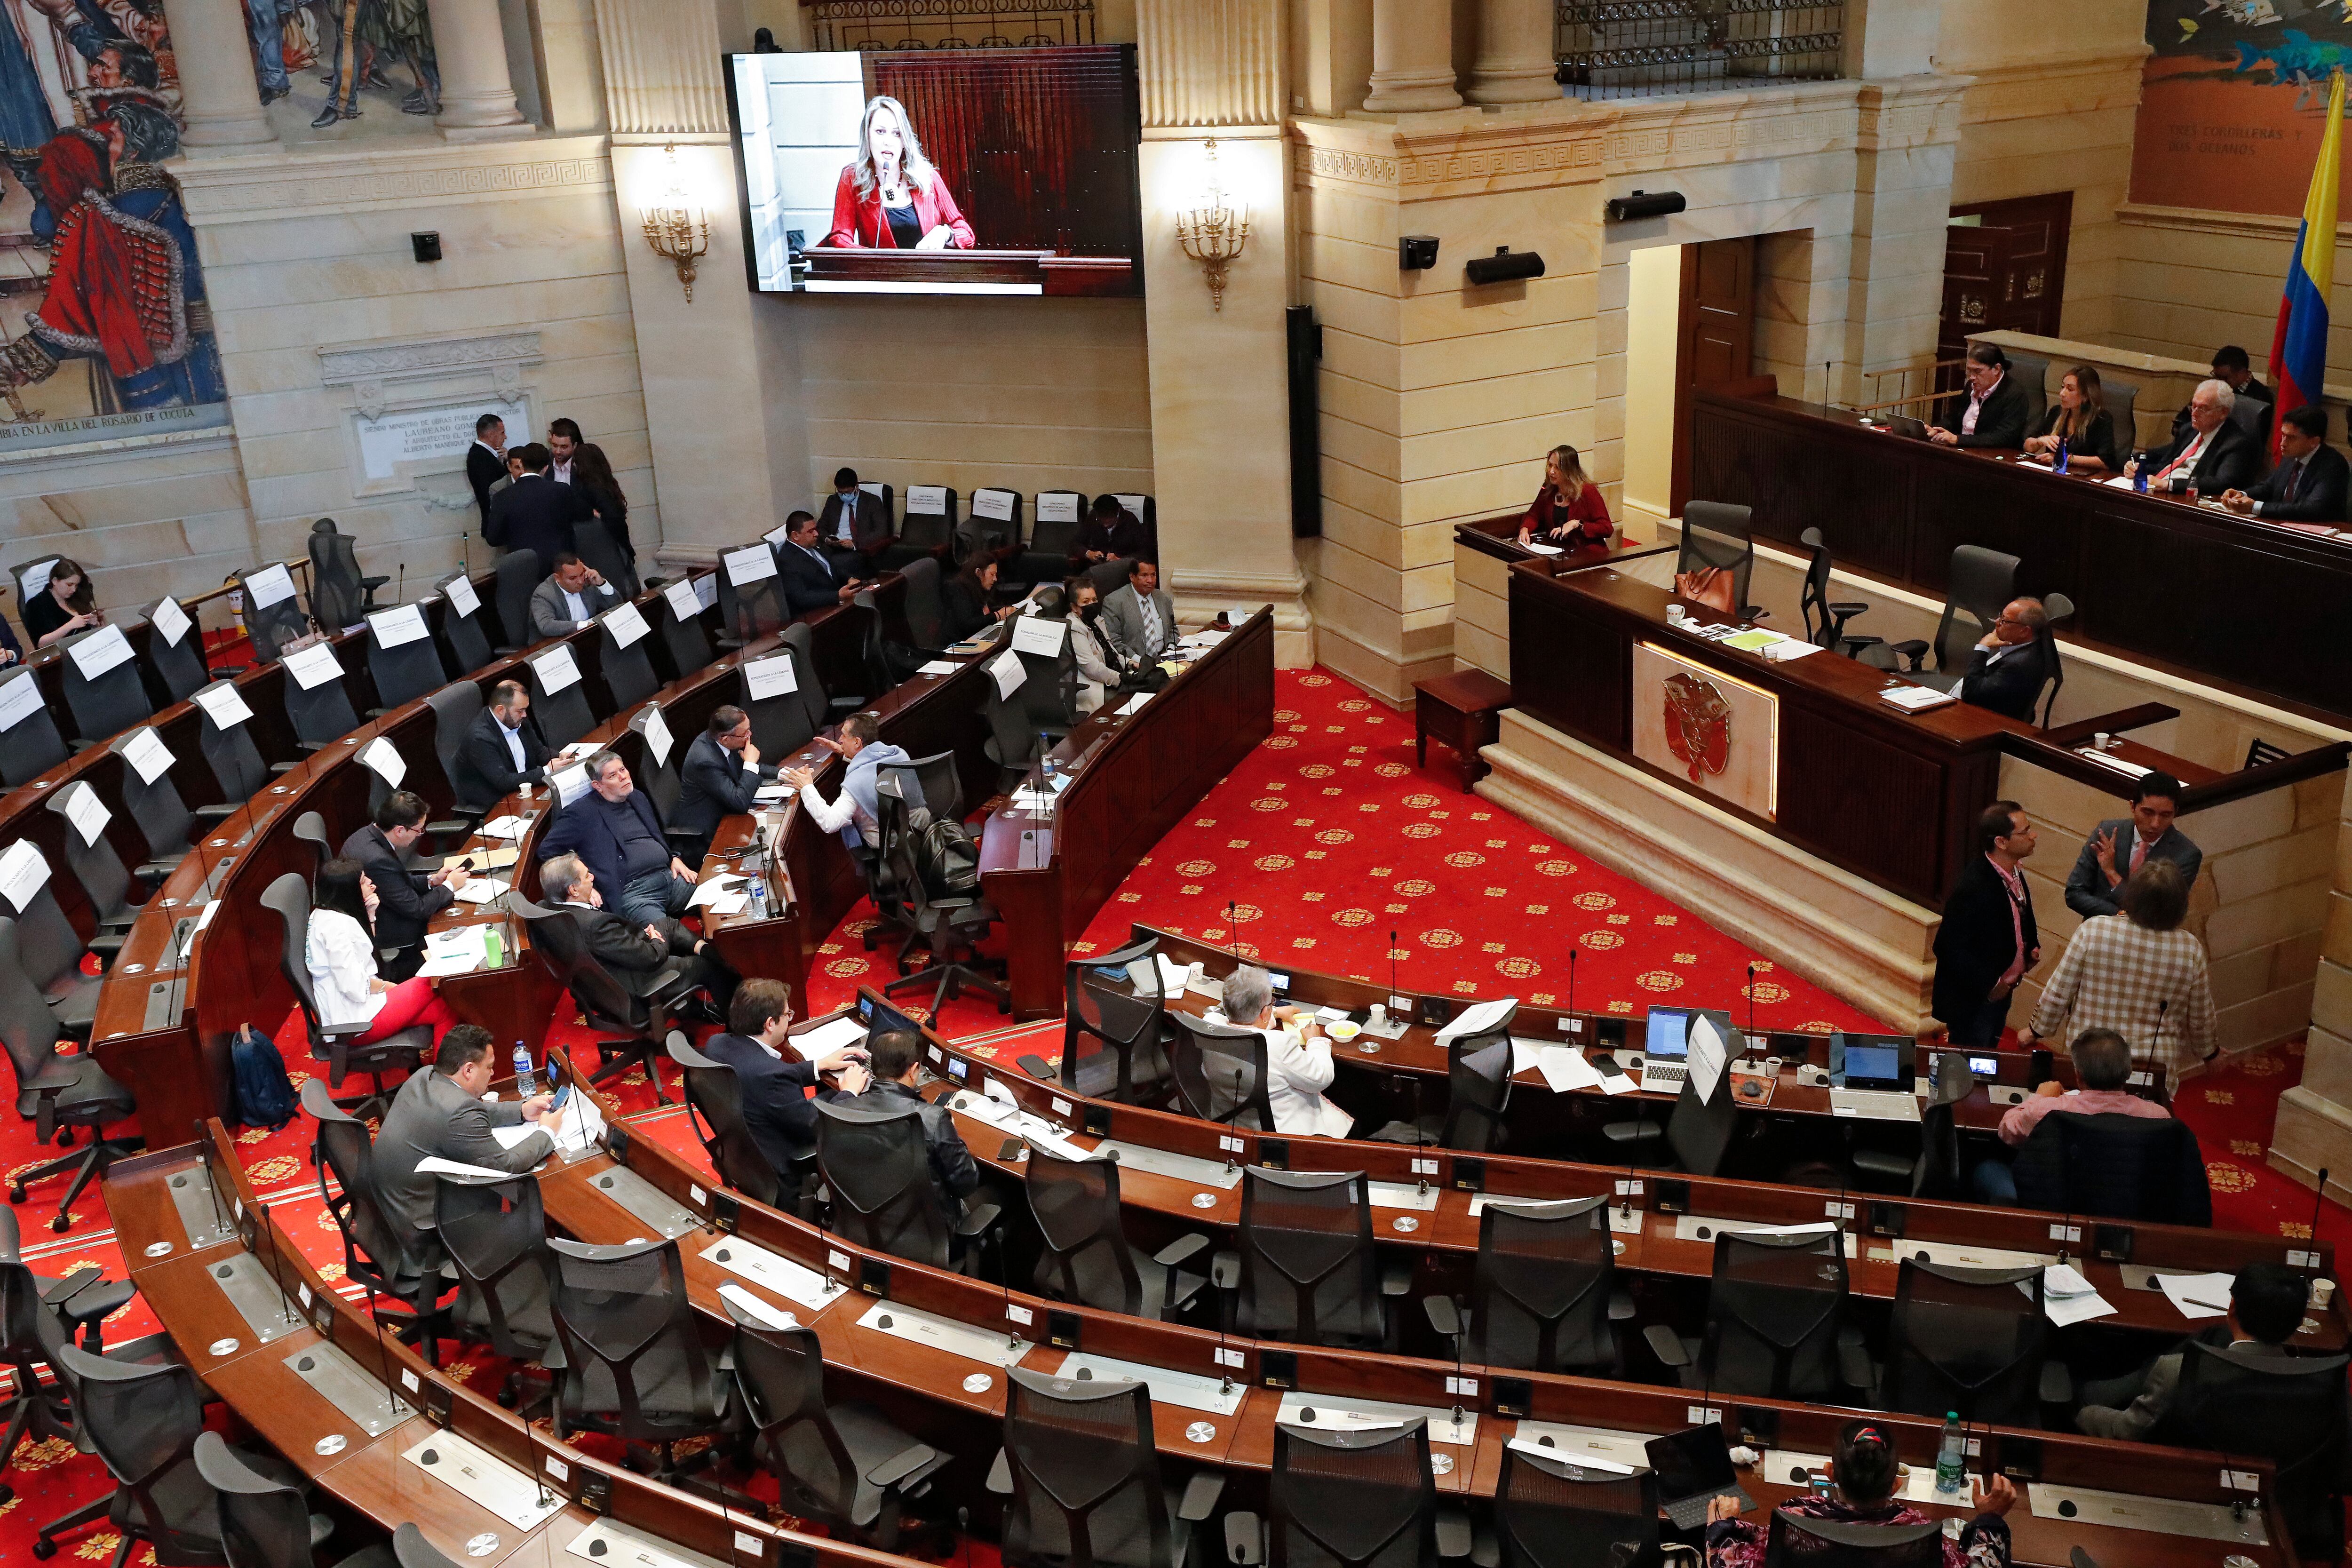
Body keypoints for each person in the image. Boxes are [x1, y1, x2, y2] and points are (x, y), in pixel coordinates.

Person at [1704, 1418, 2015, 1568]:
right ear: (1895, 1485)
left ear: (1830, 1473)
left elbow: (1730, 1563)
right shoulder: (1919, 1533)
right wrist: (1989, 1519)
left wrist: (1723, 1528)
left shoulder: (1799, 1520)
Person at [2020, 860, 2216, 1090]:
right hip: (2151, 1070)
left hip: (2089, 1062)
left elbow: (2059, 991)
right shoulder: (2190, 949)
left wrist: (2035, 1031)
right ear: (2180, 904)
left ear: (2132, 895)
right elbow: (2201, 1016)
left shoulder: (2093, 931)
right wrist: (2210, 1055)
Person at [373, 1025, 565, 1244]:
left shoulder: (425, 1076)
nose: (493, 1073)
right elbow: (505, 1166)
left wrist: (520, 1111)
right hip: (424, 1228)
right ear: (469, 1070)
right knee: (530, 1212)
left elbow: (472, 1111)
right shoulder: (458, 1112)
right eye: (490, 1067)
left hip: (396, 1209)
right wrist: (547, 1132)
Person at [2075, 1263, 2306, 1441]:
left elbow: (2127, 1432)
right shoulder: (2317, 1381)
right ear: (2297, 1323)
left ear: (2232, 1307)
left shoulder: (2178, 1372)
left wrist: (2084, 1414)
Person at [1969, 1028, 2173, 1203]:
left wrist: (2038, 1097)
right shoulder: (2159, 1118)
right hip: (2125, 1206)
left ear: (2078, 1074)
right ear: (2129, 1072)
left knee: (1987, 1167)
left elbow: (2007, 1132)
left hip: (2053, 1205)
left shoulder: (2045, 1111)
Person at [700, 978, 871, 1177]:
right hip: (781, 1165)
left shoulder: (717, 1044)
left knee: (830, 1095)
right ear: (770, 1024)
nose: (790, 1019)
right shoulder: (771, 1076)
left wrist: (819, 1065)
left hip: (744, 1150)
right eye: (787, 1014)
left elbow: (768, 1076)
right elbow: (814, 1126)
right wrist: (849, 1092)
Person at [541, 852, 732, 1016]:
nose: (592, 877)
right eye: (586, 876)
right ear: (573, 890)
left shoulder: (548, 911)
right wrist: (655, 940)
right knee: (705, 967)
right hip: (635, 984)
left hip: (610, 970)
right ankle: (738, 1021)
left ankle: (709, 951)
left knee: (668, 924)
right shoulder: (594, 925)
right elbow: (652, 958)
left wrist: (647, 935)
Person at [835, 1028, 981, 1237]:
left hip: (863, 1226)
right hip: (929, 1239)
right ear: (914, 1070)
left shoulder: (846, 1106)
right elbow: (966, 1183)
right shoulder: (933, 1120)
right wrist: (954, 1137)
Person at [305, 857, 461, 1046]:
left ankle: (444, 1075)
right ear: (348, 892)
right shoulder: (337, 929)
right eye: (363, 881)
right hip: (357, 1022)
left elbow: (363, 955)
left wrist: (370, 915)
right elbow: (353, 987)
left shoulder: (325, 914)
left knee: (444, 1010)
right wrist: (388, 987)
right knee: (434, 980)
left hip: (359, 1008)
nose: (371, 883)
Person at [537, 749, 698, 927]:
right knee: (666, 934)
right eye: (613, 775)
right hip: (635, 893)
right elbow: (547, 851)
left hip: (669, 876)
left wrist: (674, 857)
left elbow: (657, 836)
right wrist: (585, 888)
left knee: (720, 900)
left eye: (623, 770)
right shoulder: (581, 814)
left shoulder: (637, 797)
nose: (623, 777)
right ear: (598, 786)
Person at [1931, 802, 2040, 1048]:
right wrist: (1993, 984)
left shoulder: (2013, 872)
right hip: (1976, 999)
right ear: (2002, 842)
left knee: (1988, 1053)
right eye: (2025, 831)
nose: (2033, 836)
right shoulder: (1973, 886)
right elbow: (1947, 947)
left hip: (2002, 993)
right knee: (1972, 1062)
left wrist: (2030, 947)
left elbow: (2020, 913)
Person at [820, 96, 975, 252]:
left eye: (897, 133)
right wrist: (872, 260)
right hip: (881, 274)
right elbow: (840, 237)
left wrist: (944, 233)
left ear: (904, 141)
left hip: (928, 274)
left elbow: (967, 235)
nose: (888, 141)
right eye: (880, 132)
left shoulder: (928, 177)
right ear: (867, 135)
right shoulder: (852, 178)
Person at [342, 791, 462, 979]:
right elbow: (417, 909)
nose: (420, 835)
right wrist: (449, 886)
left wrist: (433, 880)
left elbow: (396, 882)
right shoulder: (377, 859)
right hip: (385, 926)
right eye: (419, 830)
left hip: (382, 908)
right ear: (400, 830)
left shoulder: (365, 835)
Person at [1222, 966, 1351, 1138]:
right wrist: (1315, 1041)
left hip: (1232, 1123)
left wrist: (1273, 1013)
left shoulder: (1208, 1025)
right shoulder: (1279, 1044)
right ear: (1264, 1013)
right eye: (1271, 1004)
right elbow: (1322, 1078)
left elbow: (1246, 1026)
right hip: (1283, 1135)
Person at [2065, 771, 2202, 920]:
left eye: (2165, 815)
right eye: (2148, 813)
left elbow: (2158, 914)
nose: (2155, 824)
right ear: (2133, 806)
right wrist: (2119, 914)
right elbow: (2074, 893)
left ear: (2175, 812)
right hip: (2099, 935)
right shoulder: (2107, 832)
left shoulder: (2186, 854)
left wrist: (2111, 873)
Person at [783, 712, 912, 852]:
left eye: (844, 735)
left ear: (857, 742)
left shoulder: (855, 784)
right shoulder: (899, 755)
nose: (839, 740)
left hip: (886, 844)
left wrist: (807, 787)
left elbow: (830, 823)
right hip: (917, 830)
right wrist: (851, 755)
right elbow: (873, 767)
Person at [672, 704, 776, 855]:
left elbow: (744, 767)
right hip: (706, 836)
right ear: (726, 738)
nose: (750, 735)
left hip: (726, 815)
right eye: (745, 733)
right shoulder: (705, 761)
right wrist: (751, 764)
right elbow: (739, 802)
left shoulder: (719, 740)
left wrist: (785, 773)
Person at [2125, 379, 2257, 495]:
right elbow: (2165, 454)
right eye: (2193, 406)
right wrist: (2136, 462)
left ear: (2223, 412)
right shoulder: (2190, 430)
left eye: (2203, 409)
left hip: (2184, 498)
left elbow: (2221, 483)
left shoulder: (2237, 443)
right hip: (2153, 488)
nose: (2194, 414)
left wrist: (2168, 485)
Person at [2223, 403, 2347, 522]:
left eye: (2291, 438)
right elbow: (2269, 487)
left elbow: (2312, 509)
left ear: (2314, 442)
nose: (2283, 443)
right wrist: (2241, 494)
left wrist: (2256, 507)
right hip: (2282, 526)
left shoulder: (2333, 465)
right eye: (2283, 435)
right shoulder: (2291, 456)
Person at [486, 443, 592, 566]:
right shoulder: (561, 490)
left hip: (524, 566)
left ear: (522, 465)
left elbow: (493, 539)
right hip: (560, 565)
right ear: (546, 468)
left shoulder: (502, 497)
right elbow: (584, 514)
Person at [1956, 597, 2053, 723]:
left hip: (1973, 718)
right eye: (2000, 616)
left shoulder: (2018, 665)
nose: (1997, 622)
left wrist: (1982, 648)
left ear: (2024, 631)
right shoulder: (2021, 645)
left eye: (2004, 621)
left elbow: (1970, 695)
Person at [457, 679, 550, 809]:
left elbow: (539, 751)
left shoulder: (517, 720)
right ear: (500, 710)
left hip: (524, 792)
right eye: (520, 711)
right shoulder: (480, 738)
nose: (525, 715)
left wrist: (562, 758)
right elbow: (504, 782)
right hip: (497, 805)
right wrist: (547, 770)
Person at [1926, 343, 2030, 450]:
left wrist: (1958, 439)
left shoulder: (2015, 395)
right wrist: (1936, 429)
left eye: (1977, 371)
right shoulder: (1971, 386)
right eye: (1970, 370)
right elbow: (1954, 417)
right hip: (1961, 449)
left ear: (1996, 369)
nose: (1972, 377)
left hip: (1990, 455)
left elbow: (2003, 437)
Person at [2020, 365, 2118, 474]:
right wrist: (2040, 441)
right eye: (2063, 387)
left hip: (2084, 480)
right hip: (2054, 475)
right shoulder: (2056, 412)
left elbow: (2105, 462)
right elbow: (2028, 446)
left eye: (2070, 389)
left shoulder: (2101, 419)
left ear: (2086, 395)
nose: (2062, 394)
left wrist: (2066, 458)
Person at [1514, 443, 1612, 546]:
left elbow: (1607, 528)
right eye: (1550, 465)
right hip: (1558, 551)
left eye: (1557, 467)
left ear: (1569, 470)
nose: (1551, 471)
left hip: (1586, 554)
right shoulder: (1549, 489)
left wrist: (1578, 524)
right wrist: (1525, 529)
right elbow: (1533, 515)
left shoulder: (1588, 491)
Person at [777, 509, 864, 616]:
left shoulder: (815, 546)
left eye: (816, 529)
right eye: (811, 531)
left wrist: (849, 578)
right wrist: (837, 596)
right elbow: (802, 597)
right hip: (816, 614)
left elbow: (832, 568)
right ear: (795, 536)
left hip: (837, 606)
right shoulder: (787, 560)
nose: (817, 534)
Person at [1100, 558, 1177, 669]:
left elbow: (1172, 629)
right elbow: (1112, 640)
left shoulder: (1163, 598)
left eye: (1153, 575)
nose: (1150, 580)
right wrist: (1139, 661)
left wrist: (1170, 651)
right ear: (1132, 577)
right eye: (1144, 575)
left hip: (1164, 661)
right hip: (1135, 665)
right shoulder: (1114, 602)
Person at [1062, 577, 1124, 715]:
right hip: (1094, 689)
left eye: (1094, 600)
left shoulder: (1095, 620)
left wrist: (1132, 664)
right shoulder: (1074, 627)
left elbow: (1111, 652)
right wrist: (1121, 679)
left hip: (1109, 677)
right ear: (1074, 608)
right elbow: (1092, 668)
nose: (1092, 604)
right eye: (1086, 602)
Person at [528, 553, 622, 638]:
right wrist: (584, 626)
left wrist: (601, 584)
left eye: (581, 574)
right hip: (558, 646)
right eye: (572, 578)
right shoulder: (544, 595)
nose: (581, 581)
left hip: (591, 637)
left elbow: (618, 606)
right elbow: (546, 626)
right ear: (558, 578)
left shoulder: (587, 582)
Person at [817, 468, 892, 570]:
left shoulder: (872, 502)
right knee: (813, 559)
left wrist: (854, 544)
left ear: (857, 487)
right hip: (833, 547)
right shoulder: (833, 501)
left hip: (858, 549)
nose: (843, 496)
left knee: (835, 563)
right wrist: (827, 539)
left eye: (847, 493)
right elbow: (821, 525)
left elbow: (881, 532)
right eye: (840, 492)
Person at [570, 442, 633, 560]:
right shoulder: (606, 484)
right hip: (619, 544)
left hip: (605, 546)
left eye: (576, 462)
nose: (574, 465)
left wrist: (594, 514)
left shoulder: (589, 487)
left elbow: (611, 514)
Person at [20, 557, 99, 646]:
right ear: (55, 581)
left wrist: (94, 624)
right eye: (69, 585)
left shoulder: (77, 598)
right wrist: (70, 625)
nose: (74, 589)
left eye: (76, 585)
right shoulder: (36, 604)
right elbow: (41, 643)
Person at [941, 557, 1019, 643]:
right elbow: (968, 624)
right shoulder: (958, 589)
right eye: (992, 575)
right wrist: (997, 615)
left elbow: (985, 612)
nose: (995, 579)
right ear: (978, 573)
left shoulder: (979, 588)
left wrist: (1005, 611)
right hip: (961, 642)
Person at [1071, 494, 1146, 568]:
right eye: (1101, 520)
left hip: (1123, 567)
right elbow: (1075, 544)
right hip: (1098, 566)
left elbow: (1144, 551)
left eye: (1109, 520)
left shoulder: (1130, 520)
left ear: (1117, 513)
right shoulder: (1093, 517)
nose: (1105, 525)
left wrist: (1120, 560)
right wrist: (1089, 554)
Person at [467, 414, 507, 531]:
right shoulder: (479, 457)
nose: (505, 437)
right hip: (498, 525)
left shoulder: (484, 454)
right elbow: (490, 493)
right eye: (502, 433)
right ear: (491, 434)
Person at [2207, 344, 2271, 406]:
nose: (2220, 382)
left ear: (2241, 373)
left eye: (2224, 378)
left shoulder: (2261, 398)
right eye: (2216, 376)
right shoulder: (2216, 390)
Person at [547, 418, 583, 487]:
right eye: (555, 446)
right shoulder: (545, 462)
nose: (558, 452)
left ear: (575, 446)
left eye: (564, 447)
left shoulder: (583, 465)